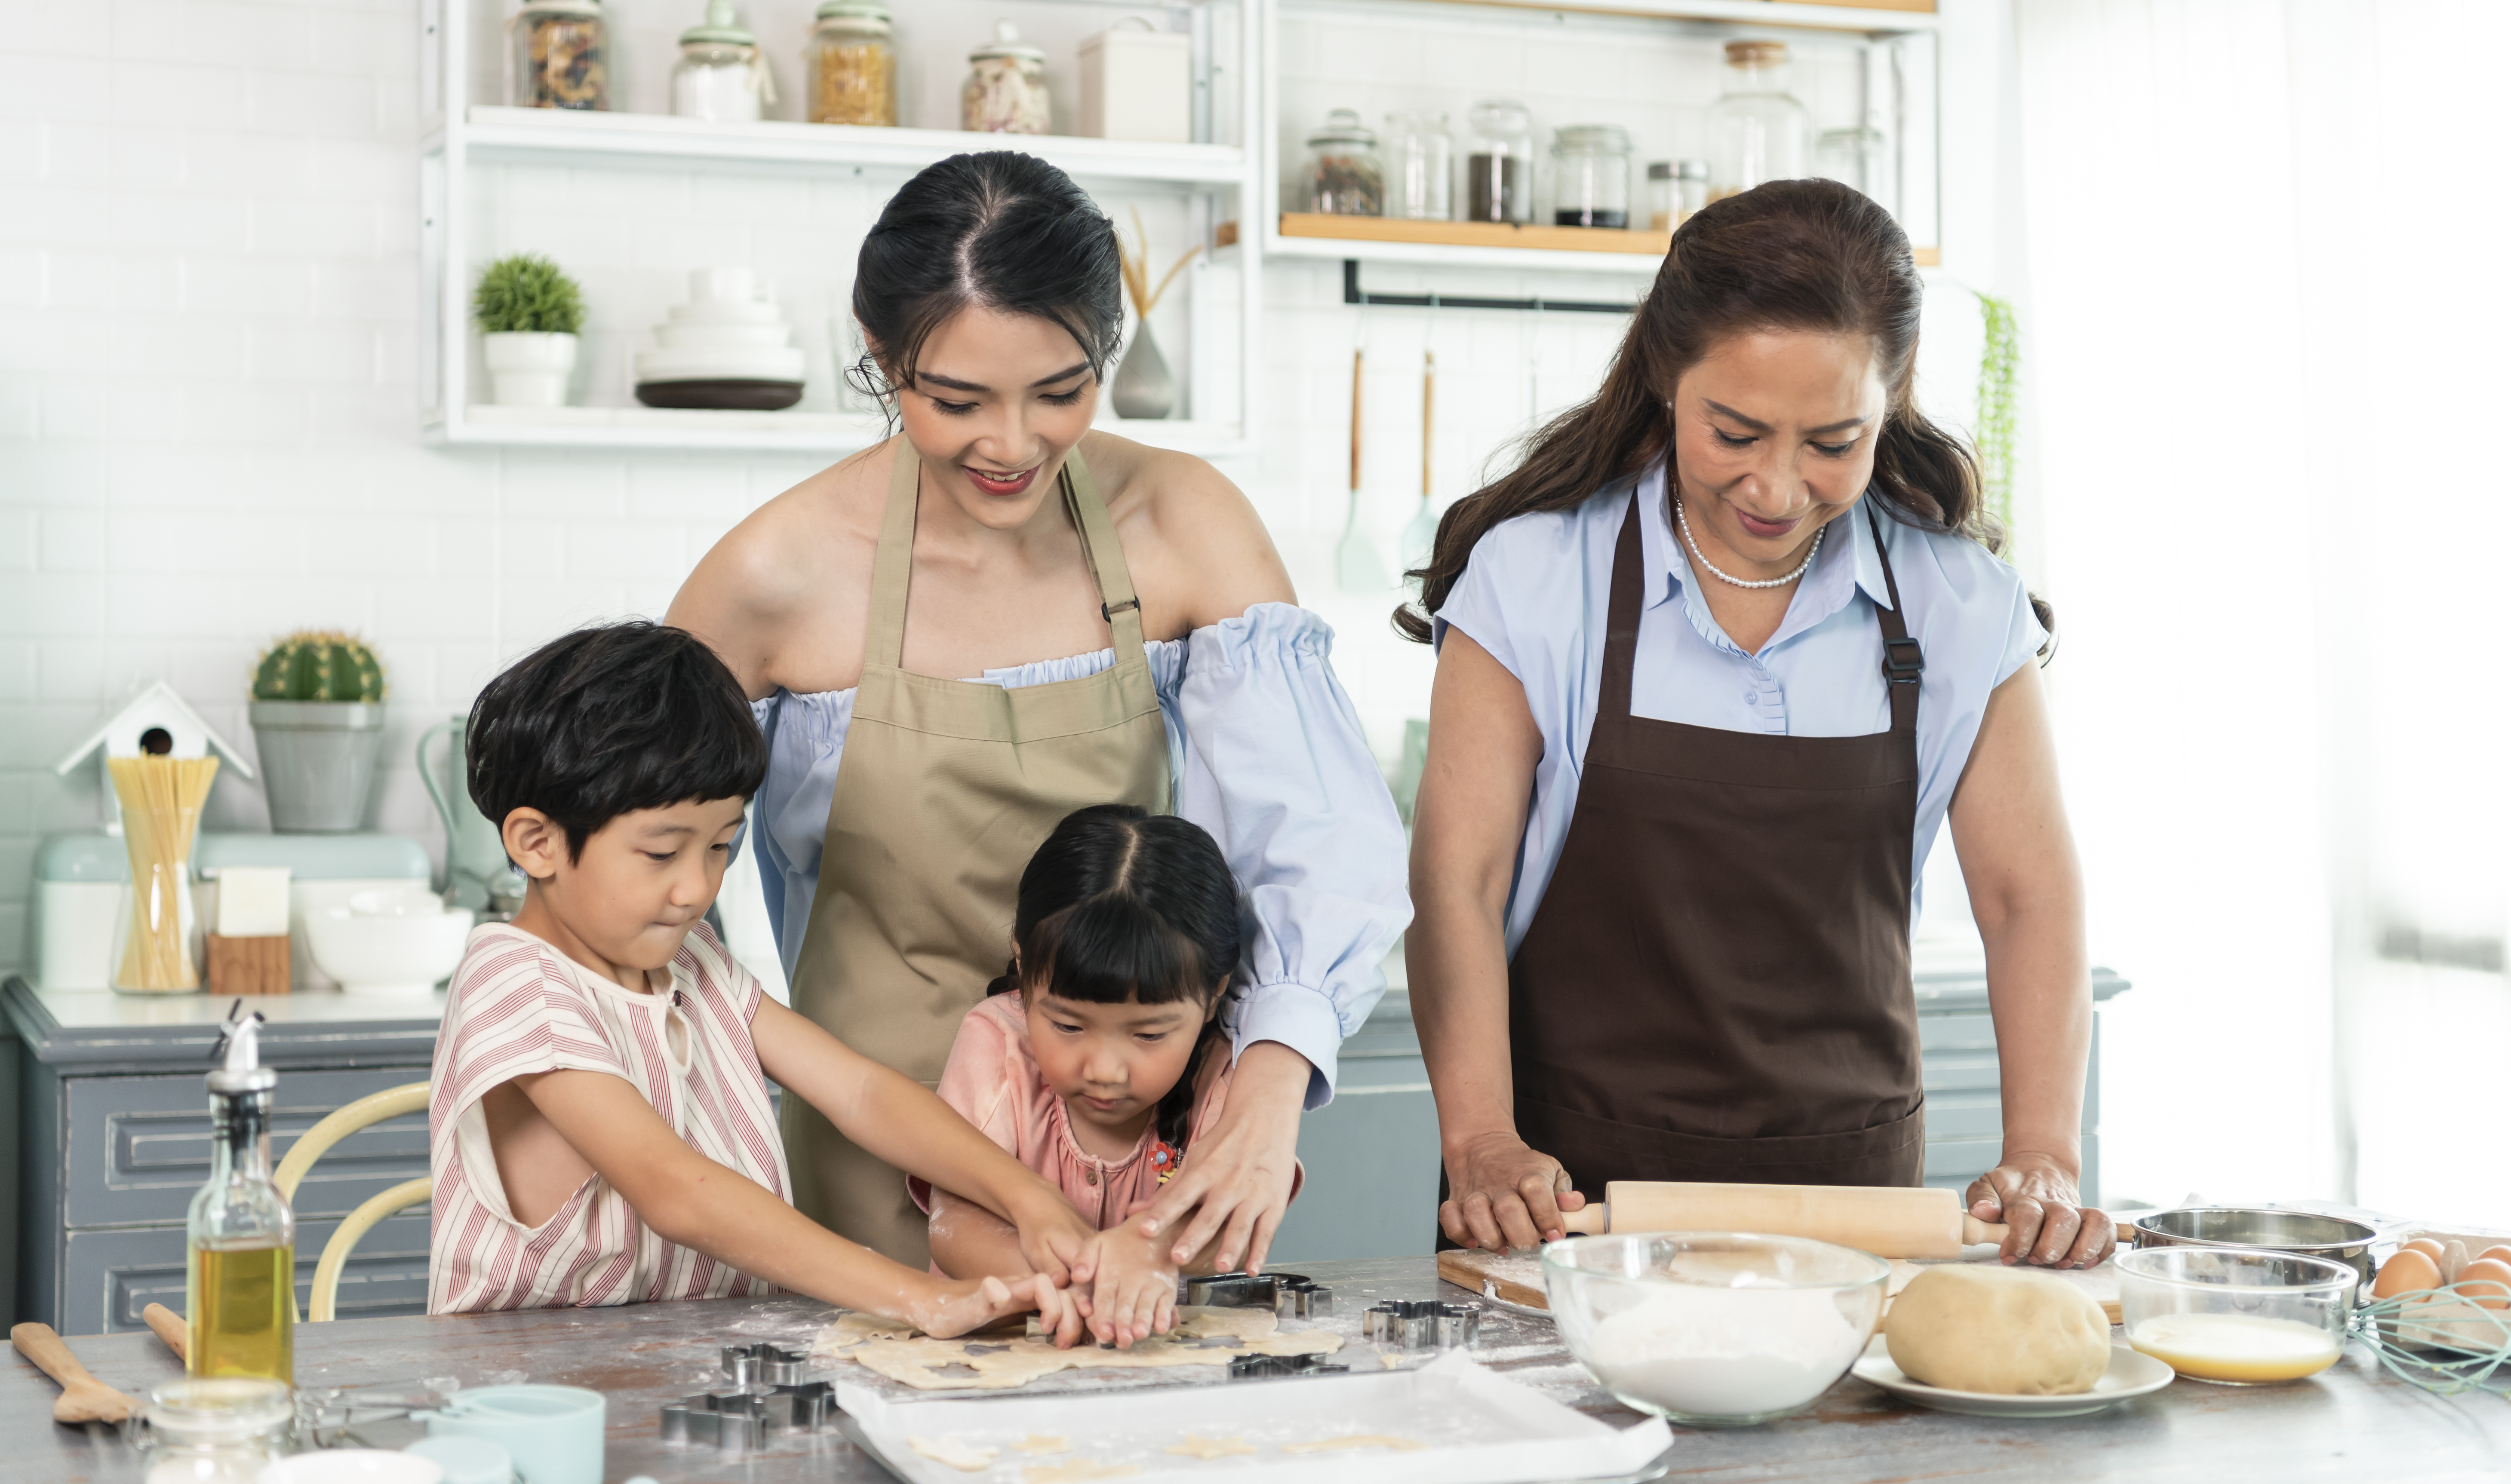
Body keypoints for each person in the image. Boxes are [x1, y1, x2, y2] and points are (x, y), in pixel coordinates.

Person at [668, 152, 1408, 1314]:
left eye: (1057, 392)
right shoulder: (775, 577)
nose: (1008, 444)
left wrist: (1264, 1085)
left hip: (1133, 1173)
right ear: (877, 355)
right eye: (954, 400)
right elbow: (639, 892)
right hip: (879, 1169)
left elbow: (1312, 836)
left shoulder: (1178, 521)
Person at [1402, 179, 2110, 1269]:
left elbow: (2028, 899)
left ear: (1891, 402)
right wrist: (1481, 1138)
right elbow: (1458, 883)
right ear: (1663, 380)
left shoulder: (1958, 604)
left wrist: (2046, 1152)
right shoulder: (1537, 578)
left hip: (1849, 1219)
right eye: (1734, 432)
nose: (1777, 489)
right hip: (1568, 1214)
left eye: (1834, 442)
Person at [426, 620, 1094, 1340]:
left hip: (690, 1354)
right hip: (534, 1384)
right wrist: (915, 1297)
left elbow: (861, 1093)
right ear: (538, 842)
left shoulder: (692, 962)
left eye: (721, 846)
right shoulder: (513, 980)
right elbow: (675, 1189)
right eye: (661, 853)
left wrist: (1029, 1198)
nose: (694, 888)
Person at [921, 804, 1297, 1346]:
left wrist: (1151, 1251)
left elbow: (1232, 1219)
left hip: (1164, 1357)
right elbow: (954, 1227)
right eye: (1069, 1024)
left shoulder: (1233, 1073)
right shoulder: (996, 1042)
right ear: (1024, 968)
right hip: (1002, 1347)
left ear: (1215, 992)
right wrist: (1079, 1286)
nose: (1103, 1069)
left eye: (1147, 1035)